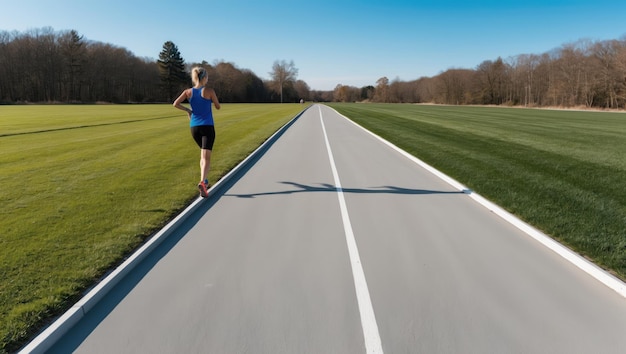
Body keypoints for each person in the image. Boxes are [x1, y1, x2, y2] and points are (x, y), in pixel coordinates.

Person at [173, 66, 221, 198]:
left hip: (194, 128)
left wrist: (188, 110)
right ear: (204, 77)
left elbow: (175, 103)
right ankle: (203, 183)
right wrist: (212, 101)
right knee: (206, 157)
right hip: (207, 127)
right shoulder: (209, 90)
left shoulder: (188, 92)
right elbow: (218, 106)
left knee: (202, 155)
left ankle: (204, 180)